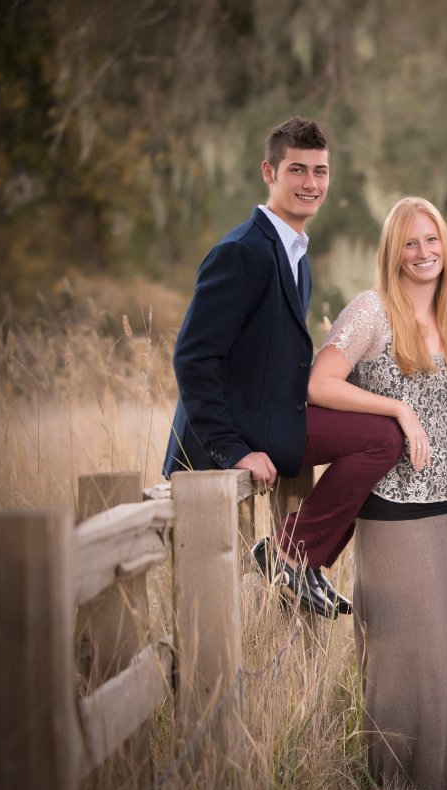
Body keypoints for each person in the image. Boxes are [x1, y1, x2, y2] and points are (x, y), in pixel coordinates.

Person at [307, 197, 447, 790]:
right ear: (392, 251)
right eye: (410, 243)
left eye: (433, 241)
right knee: (407, 647)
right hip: (396, 500)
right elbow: (319, 384)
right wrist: (396, 408)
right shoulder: (370, 311)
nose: (423, 254)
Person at [163, 116, 401, 618]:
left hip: (270, 415)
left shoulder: (295, 255)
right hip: (240, 431)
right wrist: (232, 450)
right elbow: (193, 357)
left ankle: (302, 561)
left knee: (381, 435)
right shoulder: (242, 253)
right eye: (297, 170)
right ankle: (292, 552)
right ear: (269, 172)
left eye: (320, 171)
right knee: (382, 437)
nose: (310, 184)